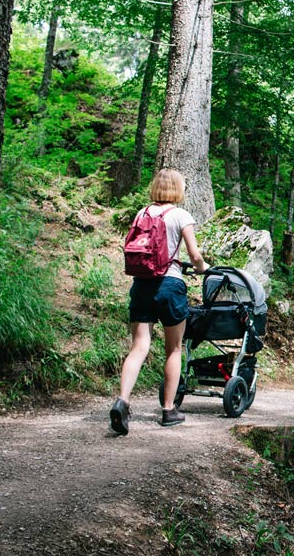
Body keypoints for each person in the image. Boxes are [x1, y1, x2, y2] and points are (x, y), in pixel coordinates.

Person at [110, 169, 208, 435]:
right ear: (178, 189)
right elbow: (194, 253)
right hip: (170, 284)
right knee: (174, 349)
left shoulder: (142, 213)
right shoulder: (180, 215)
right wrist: (202, 267)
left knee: (139, 346)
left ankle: (123, 401)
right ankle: (168, 410)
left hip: (142, 285)